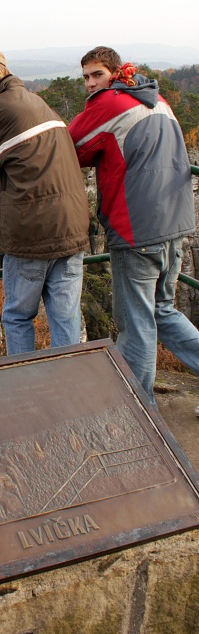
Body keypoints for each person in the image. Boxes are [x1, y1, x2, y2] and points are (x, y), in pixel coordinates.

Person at [68, 45, 199, 404]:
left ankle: (139, 411)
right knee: (163, 310)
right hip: (175, 224)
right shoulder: (157, 99)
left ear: (114, 73)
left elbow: (69, 147)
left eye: (97, 74)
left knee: (137, 323)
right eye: (86, 77)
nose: (90, 84)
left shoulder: (109, 103)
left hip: (137, 229)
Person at [0, 47, 89, 355]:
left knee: (17, 315)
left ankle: (26, 384)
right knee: (65, 314)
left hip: (32, 230)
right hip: (71, 225)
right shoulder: (35, 101)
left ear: (1, 71)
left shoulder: (3, 106)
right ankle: (68, 381)